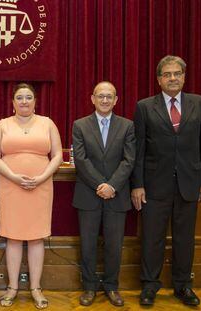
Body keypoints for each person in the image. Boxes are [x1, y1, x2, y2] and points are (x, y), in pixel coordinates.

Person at [131, 55, 201, 306]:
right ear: (159, 79)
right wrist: (137, 184)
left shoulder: (200, 104)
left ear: (184, 76)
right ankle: (149, 285)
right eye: (167, 74)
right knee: (152, 238)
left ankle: (183, 286)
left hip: (189, 184)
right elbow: (139, 150)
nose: (173, 78)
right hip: (155, 185)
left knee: (184, 238)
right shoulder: (145, 107)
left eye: (177, 73)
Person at [0, 83, 62, 309]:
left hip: (40, 187)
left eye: (28, 97)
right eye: (19, 97)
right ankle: (12, 287)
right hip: (11, 186)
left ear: (35, 101)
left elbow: (58, 155)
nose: (24, 101)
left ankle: (36, 288)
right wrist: (12, 176)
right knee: (13, 236)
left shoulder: (47, 123)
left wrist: (41, 178)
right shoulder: (2, 125)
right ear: (12, 102)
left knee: (36, 236)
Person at [72, 82, 135, 307]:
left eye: (109, 97)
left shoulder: (127, 126)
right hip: (89, 194)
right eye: (101, 96)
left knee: (114, 245)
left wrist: (112, 186)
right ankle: (89, 288)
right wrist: (101, 184)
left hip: (117, 196)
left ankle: (111, 287)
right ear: (93, 99)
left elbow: (129, 160)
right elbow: (80, 159)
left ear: (116, 100)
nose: (105, 100)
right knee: (88, 244)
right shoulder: (80, 125)